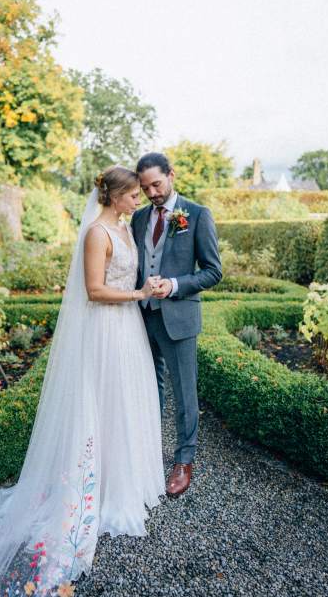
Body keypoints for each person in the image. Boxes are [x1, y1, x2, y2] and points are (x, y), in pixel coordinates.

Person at [0, 166, 165, 596]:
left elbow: (122, 278)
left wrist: (148, 285)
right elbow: (94, 290)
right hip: (106, 329)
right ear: (115, 196)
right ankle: (93, 489)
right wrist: (140, 295)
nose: (139, 200)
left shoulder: (123, 229)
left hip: (128, 332)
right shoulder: (97, 234)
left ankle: (121, 481)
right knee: (103, 403)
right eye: (133, 195)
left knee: (124, 403)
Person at [131, 152, 222, 498]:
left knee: (185, 392)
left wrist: (174, 285)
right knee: (147, 388)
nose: (152, 192)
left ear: (171, 175)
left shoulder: (197, 215)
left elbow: (213, 271)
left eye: (156, 183)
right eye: (145, 187)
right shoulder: (138, 218)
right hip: (140, 316)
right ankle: (146, 453)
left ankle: (184, 461)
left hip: (179, 318)